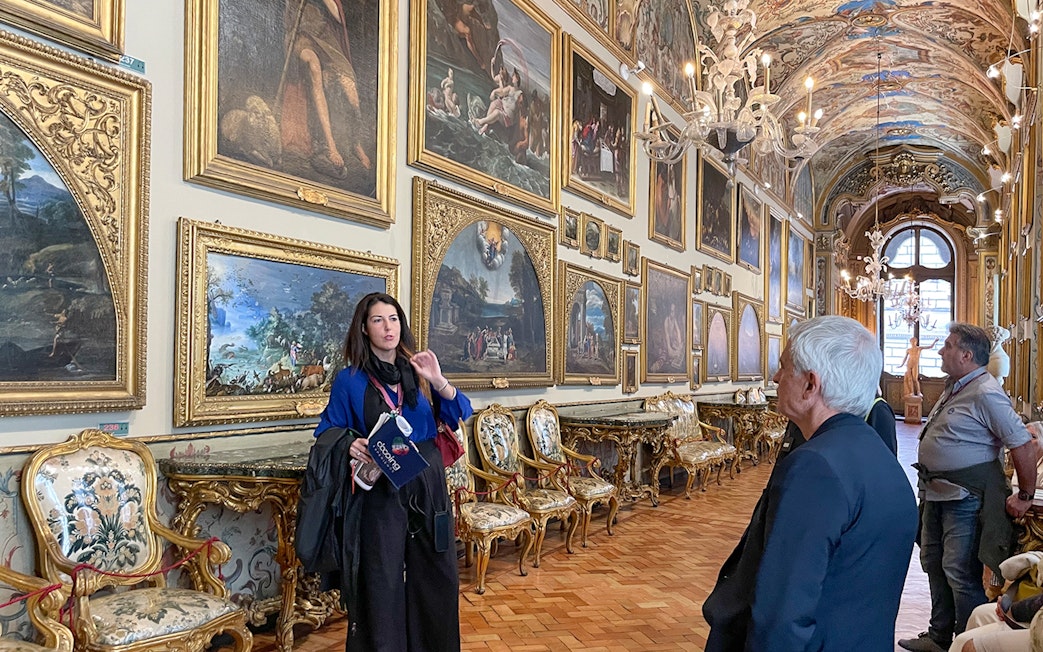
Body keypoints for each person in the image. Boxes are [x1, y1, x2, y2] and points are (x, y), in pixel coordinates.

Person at [703, 316, 909, 650]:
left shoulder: (817, 467)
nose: (775, 377)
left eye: (784, 367)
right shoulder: (873, 451)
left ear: (810, 385)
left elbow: (783, 610)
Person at [314, 292, 472, 651]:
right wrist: (347, 443)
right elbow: (328, 429)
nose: (388, 327)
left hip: (428, 485)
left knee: (437, 575)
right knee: (381, 579)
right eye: (378, 320)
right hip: (381, 489)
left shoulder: (419, 372)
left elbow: (460, 413)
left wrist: (438, 379)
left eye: (394, 319)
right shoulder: (349, 380)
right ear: (364, 329)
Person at [899, 323, 1037, 652]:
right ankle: (938, 635)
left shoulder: (987, 392)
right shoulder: (957, 385)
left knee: (958, 571)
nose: (940, 350)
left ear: (966, 354)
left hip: (965, 498)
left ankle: (965, 640)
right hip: (936, 493)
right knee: (932, 562)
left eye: (947, 346)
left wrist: (1026, 495)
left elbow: (1022, 444)